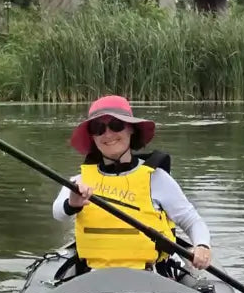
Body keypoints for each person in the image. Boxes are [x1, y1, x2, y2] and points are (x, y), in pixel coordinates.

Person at [52, 94, 213, 274]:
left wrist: (202, 245)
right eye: (98, 128)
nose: (108, 134)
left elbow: (191, 221)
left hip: (150, 279)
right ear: (93, 137)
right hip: (92, 277)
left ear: (131, 129)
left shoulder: (157, 178)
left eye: (116, 125)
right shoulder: (79, 181)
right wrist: (72, 204)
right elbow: (59, 213)